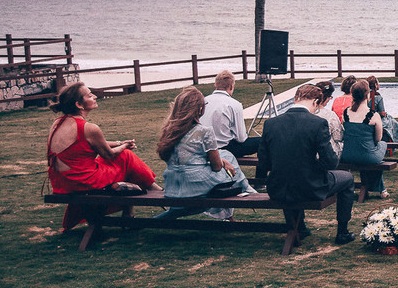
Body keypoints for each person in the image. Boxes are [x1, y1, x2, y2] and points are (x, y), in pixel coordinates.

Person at [46, 81, 157, 231]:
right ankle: (155, 191)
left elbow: (90, 144)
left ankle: (130, 212)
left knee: (123, 159)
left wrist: (119, 142)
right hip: (83, 181)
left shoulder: (58, 123)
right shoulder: (89, 128)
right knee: (126, 157)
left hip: (62, 181)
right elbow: (109, 155)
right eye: (90, 95)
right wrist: (124, 146)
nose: (95, 97)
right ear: (79, 104)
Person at [257, 83, 357, 245]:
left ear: (296, 98)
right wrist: (315, 165)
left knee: (292, 175)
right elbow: (330, 162)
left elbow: (264, 162)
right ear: (315, 102)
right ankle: (342, 231)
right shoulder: (317, 123)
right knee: (347, 178)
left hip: (278, 187)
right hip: (310, 187)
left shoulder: (271, 124)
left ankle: (299, 228)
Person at [154, 86, 255, 220]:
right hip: (194, 184)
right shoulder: (204, 131)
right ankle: (247, 189)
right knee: (227, 157)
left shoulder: (169, 131)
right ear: (200, 109)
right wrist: (223, 162)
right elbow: (216, 167)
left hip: (172, 185)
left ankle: (233, 210)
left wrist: (222, 161)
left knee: (224, 158)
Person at [341, 79, 389, 199]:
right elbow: (378, 139)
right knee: (382, 144)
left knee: (370, 150)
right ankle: (381, 189)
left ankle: (381, 189)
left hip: (347, 155)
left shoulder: (346, 113)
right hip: (367, 155)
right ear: (367, 95)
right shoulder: (373, 115)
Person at [201, 70, 260, 158]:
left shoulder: (203, 101)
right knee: (262, 141)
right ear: (231, 86)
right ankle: (262, 171)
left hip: (203, 147)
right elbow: (241, 138)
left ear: (216, 85)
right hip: (224, 148)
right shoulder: (234, 104)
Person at [367, 76, 398, 141]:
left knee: (390, 118)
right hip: (377, 120)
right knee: (390, 119)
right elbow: (382, 113)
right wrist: (384, 114)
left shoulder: (364, 96)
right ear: (375, 85)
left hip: (367, 120)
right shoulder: (378, 98)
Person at [312, 80, 343, 158]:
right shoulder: (330, 115)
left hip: (310, 152)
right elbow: (338, 137)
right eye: (330, 97)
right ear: (325, 97)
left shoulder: (307, 113)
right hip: (327, 154)